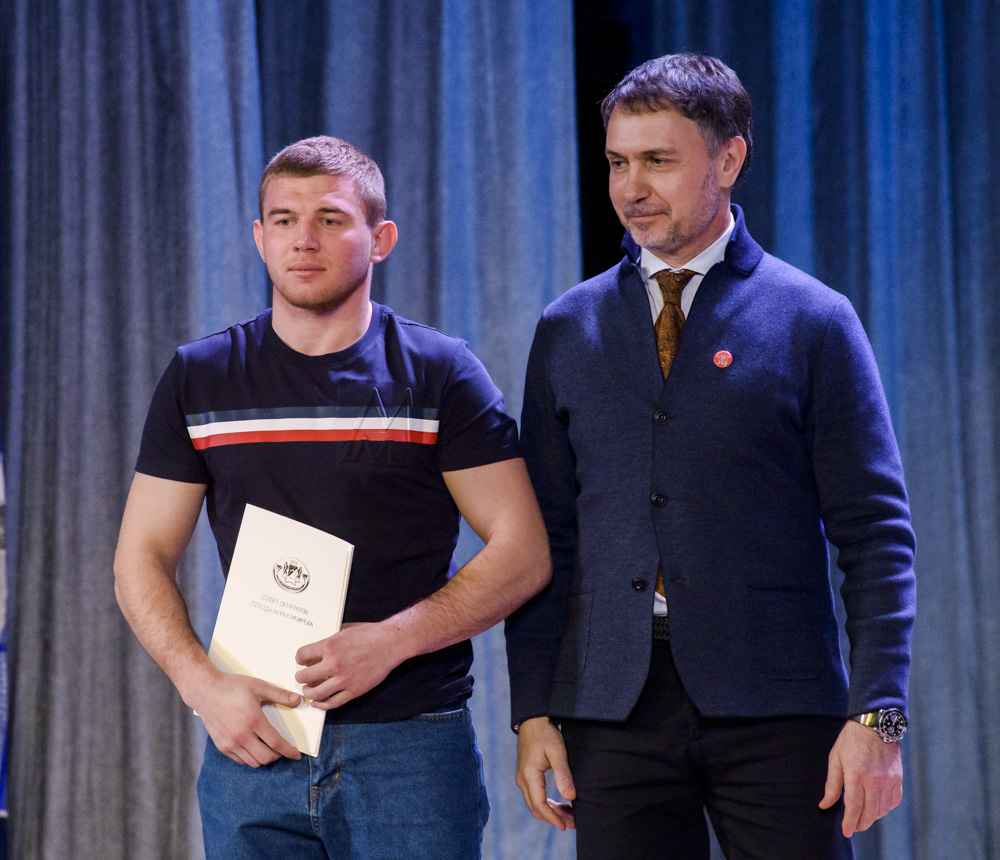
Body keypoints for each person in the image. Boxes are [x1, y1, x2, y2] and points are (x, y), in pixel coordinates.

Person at [505, 53, 916, 859]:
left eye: (658, 161)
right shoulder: (567, 327)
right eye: (617, 163)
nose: (631, 187)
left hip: (778, 704)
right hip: (610, 707)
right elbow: (544, 536)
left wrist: (879, 715)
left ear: (728, 159)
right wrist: (533, 710)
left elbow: (876, 536)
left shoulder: (812, 320)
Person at [114, 135, 551, 859]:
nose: (303, 239)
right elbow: (141, 556)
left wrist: (390, 642)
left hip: (410, 746)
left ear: (380, 239)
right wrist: (202, 686)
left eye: (330, 219)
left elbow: (524, 552)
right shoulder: (202, 377)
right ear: (259, 237)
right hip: (256, 741)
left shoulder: (440, 372)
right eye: (284, 220)